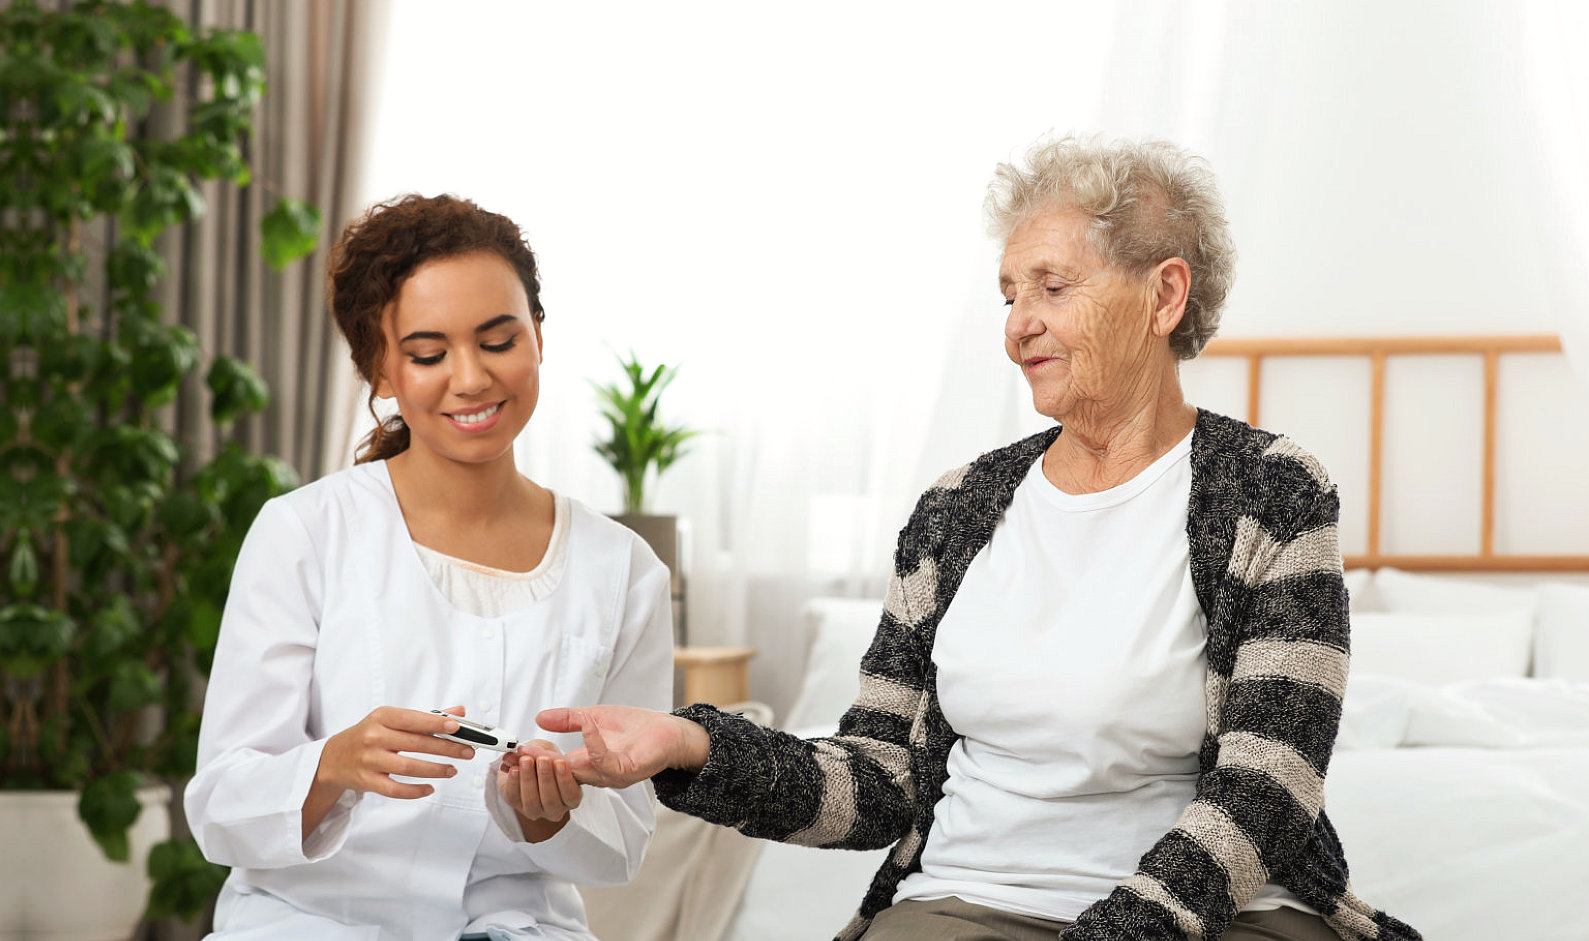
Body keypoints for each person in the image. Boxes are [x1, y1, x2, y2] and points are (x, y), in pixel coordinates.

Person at [531, 137, 1422, 941]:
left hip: (1212, 916)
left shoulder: (1271, 493)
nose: (1017, 324)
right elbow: (879, 779)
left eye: (1052, 287)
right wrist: (691, 744)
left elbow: (1270, 788)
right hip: (969, 900)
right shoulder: (956, 510)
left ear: (1165, 294)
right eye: (1009, 294)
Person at [184, 194, 674, 941]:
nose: (471, 378)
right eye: (428, 353)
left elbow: (626, 837)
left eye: (498, 339)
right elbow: (221, 804)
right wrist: (333, 764)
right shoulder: (304, 533)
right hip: (308, 924)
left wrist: (544, 818)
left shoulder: (624, 569)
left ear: (539, 337)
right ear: (381, 370)